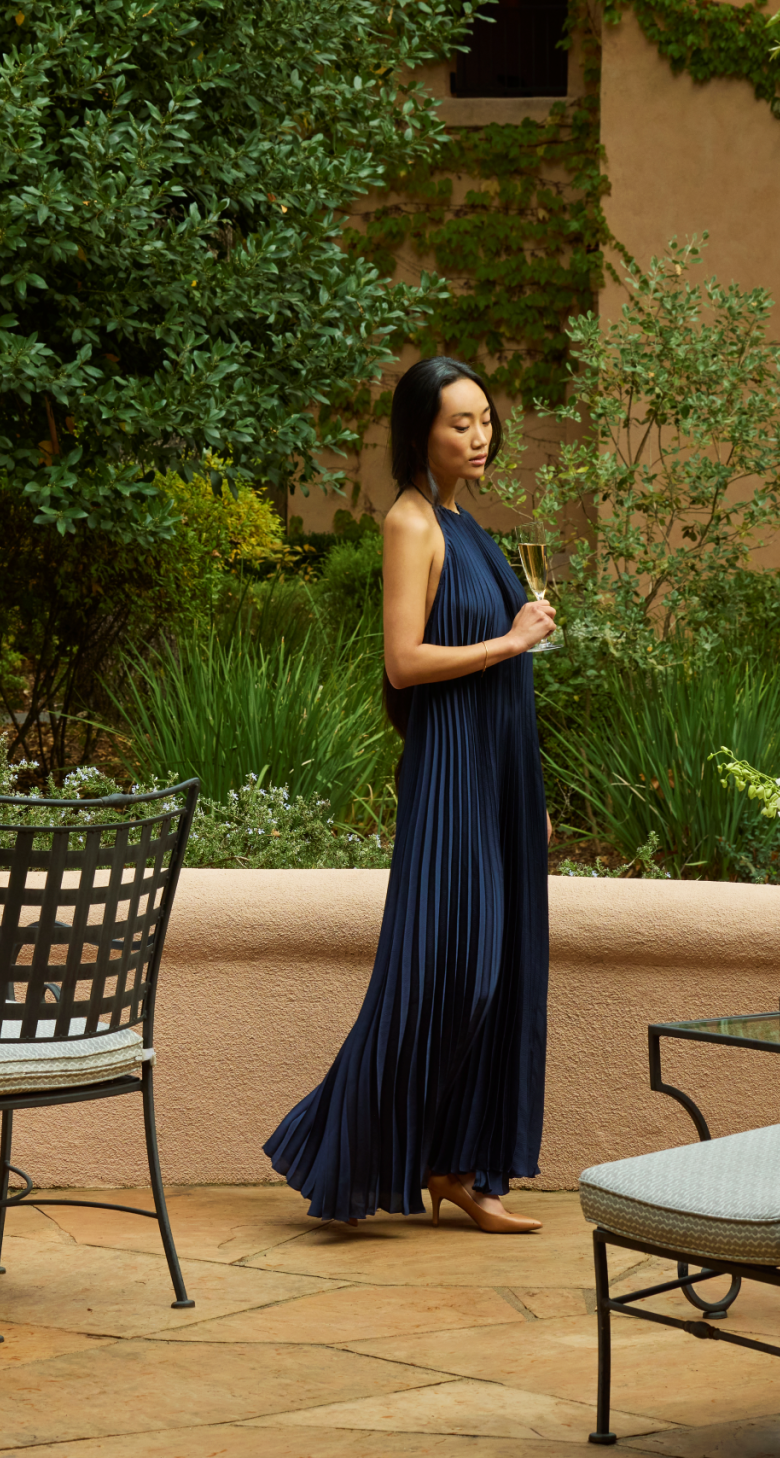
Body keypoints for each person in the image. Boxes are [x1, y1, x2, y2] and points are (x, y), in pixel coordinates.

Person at [263, 356, 556, 1232]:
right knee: (449, 976)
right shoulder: (412, 523)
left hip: (498, 776)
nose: (479, 434)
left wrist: (527, 789)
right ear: (419, 431)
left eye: (485, 420)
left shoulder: (472, 524)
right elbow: (404, 661)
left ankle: (455, 1166)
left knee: (499, 975)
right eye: (459, 422)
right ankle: (338, 1146)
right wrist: (511, 642)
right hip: (449, 775)